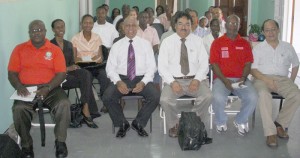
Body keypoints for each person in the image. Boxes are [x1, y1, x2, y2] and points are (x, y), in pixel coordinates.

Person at [8, 20, 69, 158]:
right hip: (27, 89)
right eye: (33, 30)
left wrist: (48, 87)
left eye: (40, 30)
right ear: (29, 33)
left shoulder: (55, 50)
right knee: (18, 109)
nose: (37, 33)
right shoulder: (19, 49)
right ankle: (26, 145)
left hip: (51, 87)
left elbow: (61, 73)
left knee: (64, 104)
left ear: (45, 32)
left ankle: (60, 142)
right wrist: (18, 86)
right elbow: (12, 73)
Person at [103, 17, 159, 138]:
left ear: (137, 27)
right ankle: (122, 123)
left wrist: (143, 82)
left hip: (140, 79)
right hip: (121, 79)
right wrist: (118, 82)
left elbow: (152, 67)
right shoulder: (116, 45)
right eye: (127, 25)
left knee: (155, 96)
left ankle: (138, 122)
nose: (130, 28)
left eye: (133, 25)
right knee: (107, 97)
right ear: (123, 27)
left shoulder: (145, 44)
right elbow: (110, 68)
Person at [158, 11, 212, 138]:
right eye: (180, 24)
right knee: (165, 100)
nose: (184, 27)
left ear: (191, 25)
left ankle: (194, 123)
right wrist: (172, 82)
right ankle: (174, 125)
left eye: (187, 24)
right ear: (175, 25)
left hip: (196, 80)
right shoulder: (167, 42)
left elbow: (204, 63)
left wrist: (197, 79)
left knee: (207, 96)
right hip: (174, 81)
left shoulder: (198, 41)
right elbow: (162, 66)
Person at [251, 19, 300, 147]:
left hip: (282, 79)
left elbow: (295, 64)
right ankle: (270, 133)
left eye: (273, 29)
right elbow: (252, 69)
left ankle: (280, 124)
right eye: (267, 30)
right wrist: (267, 80)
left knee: (297, 94)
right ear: (263, 32)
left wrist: (291, 82)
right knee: (263, 94)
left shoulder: (287, 47)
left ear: (278, 30)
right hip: (261, 78)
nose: (270, 32)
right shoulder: (258, 48)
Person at [210, 14, 257, 136]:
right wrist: (225, 80)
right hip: (222, 79)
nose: (232, 26)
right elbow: (214, 64)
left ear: (239, 25)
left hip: (241, 79)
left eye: (235, 23)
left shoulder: (245, 43)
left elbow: (248, 63)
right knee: (217, 97)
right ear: (225, 25)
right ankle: (220, 121)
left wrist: (243, 78)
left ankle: (240, 120)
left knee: (253, 97)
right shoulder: (217, 43)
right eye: (230, 23)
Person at [50, 19, 99, 127]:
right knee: (84, 81)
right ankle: (88, 111)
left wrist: (74, 66)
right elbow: (49, 67)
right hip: (57, 77)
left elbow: (72, 62)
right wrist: (67, 68)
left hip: (69, 73)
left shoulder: (68, 44)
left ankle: (85, 106)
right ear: (53, 29)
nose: (61, 29)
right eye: (58, 27)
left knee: (86, 74)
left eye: (62, 26)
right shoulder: (49, 45)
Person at [71, 14, 110, 111]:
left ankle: (106, 103)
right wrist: (91, 57)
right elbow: (75, 59)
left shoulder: (97, 37)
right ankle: (88, 107)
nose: (88, 25)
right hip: (82, 67)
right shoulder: (75, 38)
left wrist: (83, 57)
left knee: (105, 77)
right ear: (81, 24)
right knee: (86, 79)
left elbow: (100, 57)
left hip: (96, 66)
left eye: (90, 23)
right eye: (85, 23)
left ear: (93, 24)